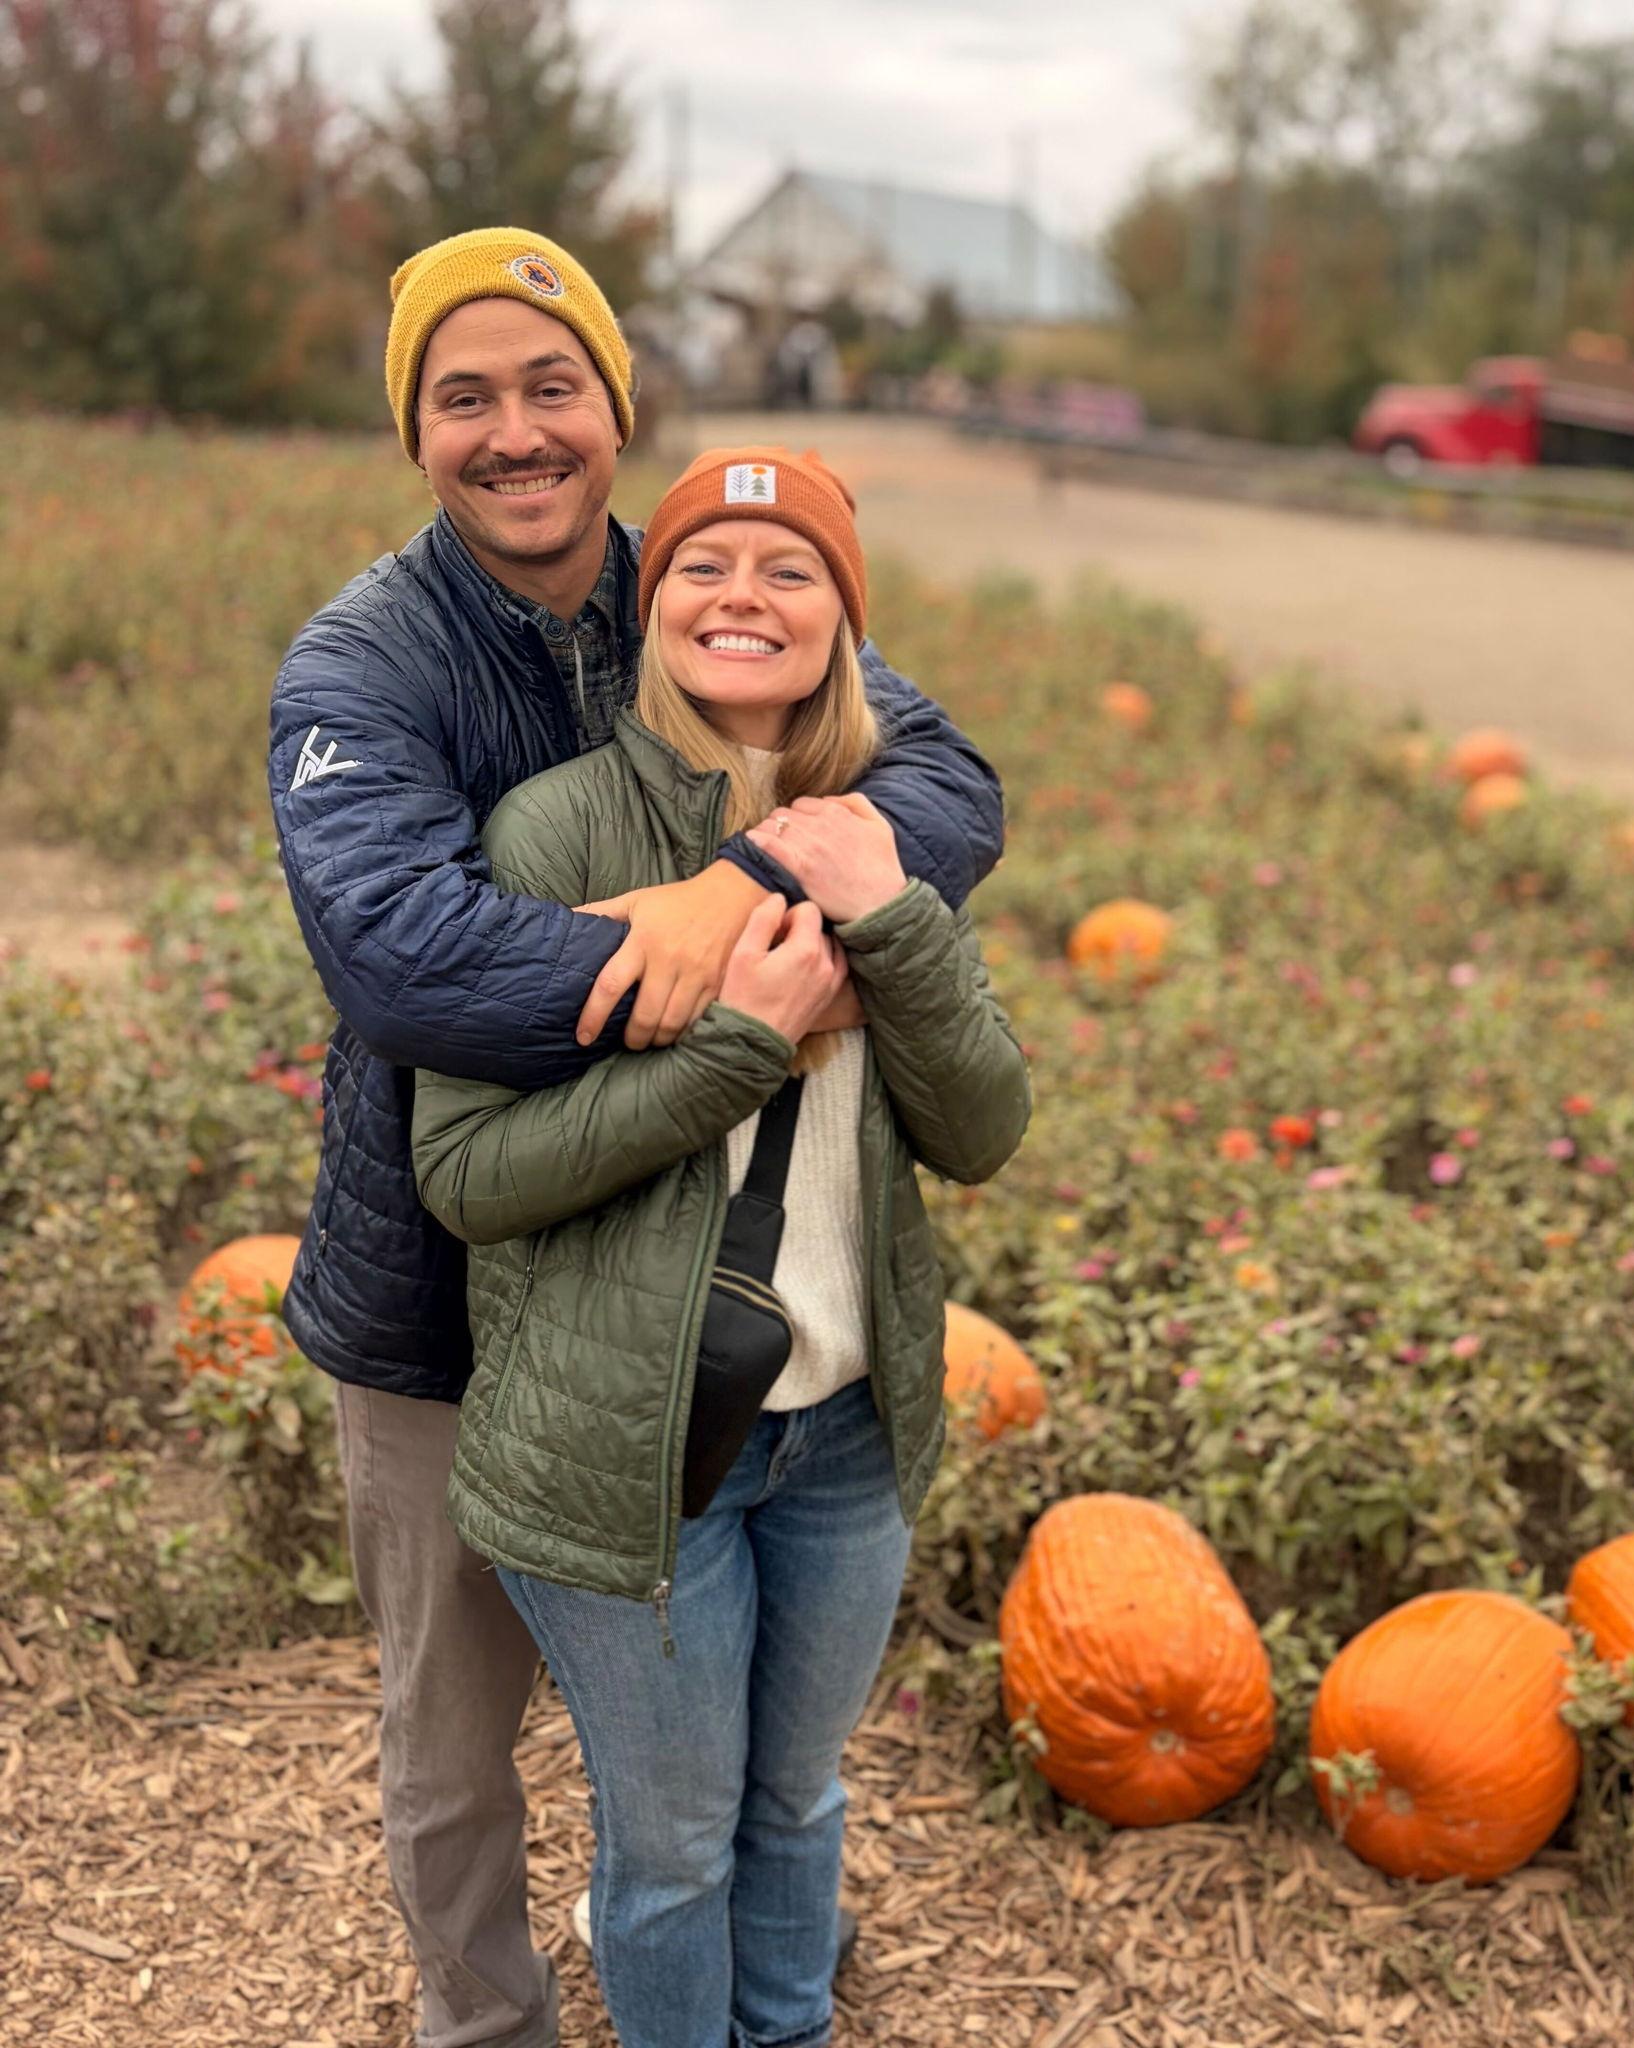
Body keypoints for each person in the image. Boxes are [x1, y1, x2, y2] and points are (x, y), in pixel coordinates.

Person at [267, 230, 1004, 2048]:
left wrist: (757, 885)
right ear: (416, 433)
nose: (515, 432)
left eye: (551, 387)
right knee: (457, 1751)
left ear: (613, 406)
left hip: (713, 1319)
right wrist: (689, 961)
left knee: (723, 1788)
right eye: (465, 396)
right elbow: (402, 957)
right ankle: (490, 2028)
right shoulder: (362, 664)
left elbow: (940, 782)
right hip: (441, 1298)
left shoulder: (697, 579)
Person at [409, 444, 1031, 2048]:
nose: (741, 597)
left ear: (843, 616)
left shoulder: (885, 825)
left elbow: (979, 1128)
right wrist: (735, 1048)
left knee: (798, 1805)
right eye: (702, 565)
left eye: (788, 571)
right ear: (651, 596)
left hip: (842, 1435)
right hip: (631, 1448)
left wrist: (892, 923)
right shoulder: (553, 833)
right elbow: (472, 1173)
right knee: (676, 1848)